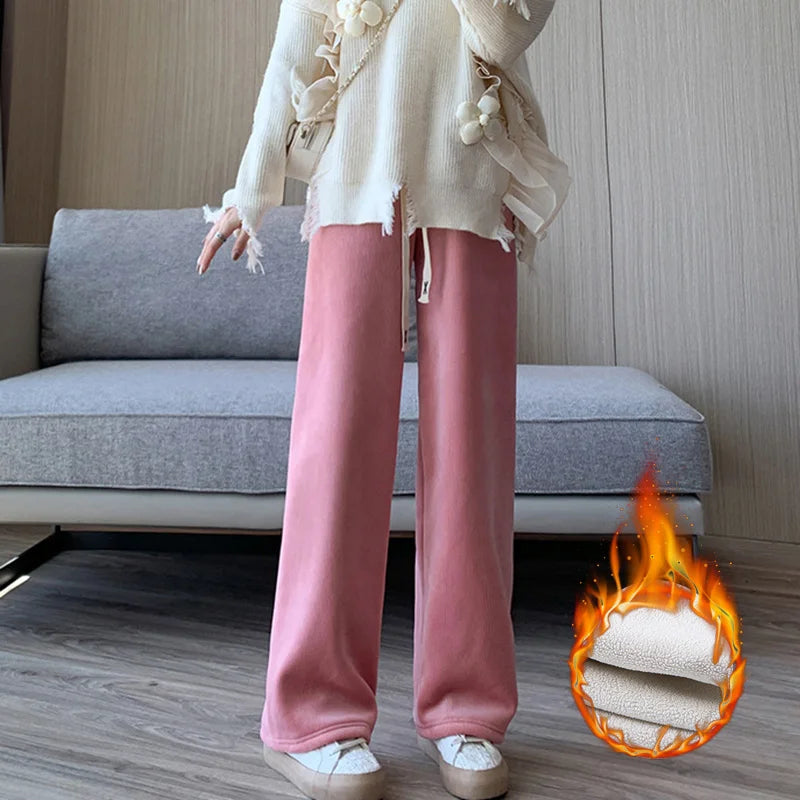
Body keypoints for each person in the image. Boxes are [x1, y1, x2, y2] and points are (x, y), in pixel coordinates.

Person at [198, 1, 570, 798]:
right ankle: (309, 715)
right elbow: (298, 40)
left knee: (472, 452)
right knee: (337, 442)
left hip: (473, 169)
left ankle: (467, 708)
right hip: (355, 174)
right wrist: (251, 187)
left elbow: (505, 30)